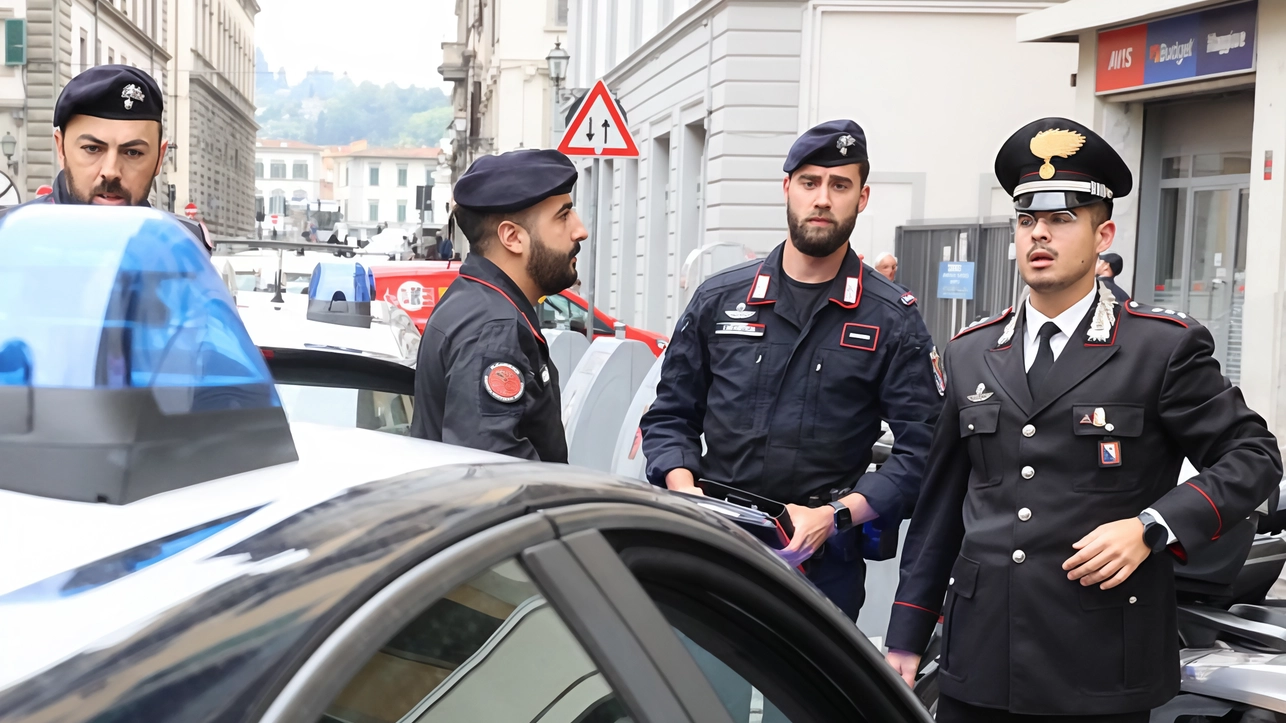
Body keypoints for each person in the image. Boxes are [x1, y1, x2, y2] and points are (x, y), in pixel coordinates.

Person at [884, 117, 1282, 722]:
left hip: (1100, 663)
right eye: (1026, 220)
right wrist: (906, 639)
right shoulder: (971, 351)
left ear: (1103, 236)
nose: (1039, 234)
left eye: (1063, 219)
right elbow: (941, 508)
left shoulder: (1160, 348)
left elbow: (1253, 457)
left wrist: (1153, 526)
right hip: (980, 661)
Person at [639, 120, 944, 619]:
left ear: (862, 198)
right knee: (705, 694)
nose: (822, 199)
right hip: (717, 544)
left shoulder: (892, 319)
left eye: (839, 185)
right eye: (810, 182)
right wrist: (684, 492)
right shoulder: (720, 300)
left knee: (813, 697)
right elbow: (670, 414)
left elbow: (923, 451)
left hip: (822, 562)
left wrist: (836, 515)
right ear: (787, 189)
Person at [410, 149, 588, 461]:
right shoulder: (493, 330)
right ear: (512, 237)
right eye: (563, 216)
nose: (580, 230)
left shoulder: (474, 302)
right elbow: (495, 480)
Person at [0, 65, 210, 253]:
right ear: (61, 148)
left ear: (160, 157)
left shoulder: (183, 245)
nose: (111, 171)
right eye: (92, 149)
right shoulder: (9, 236)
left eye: (133, 152)